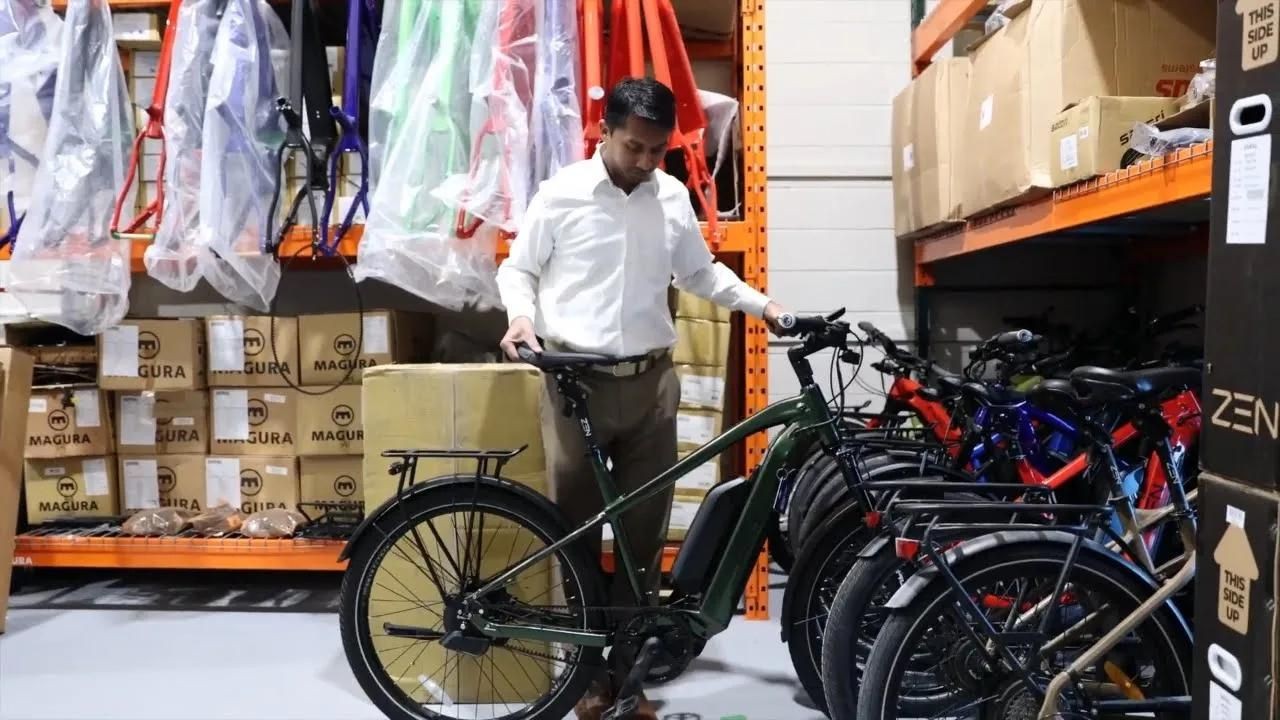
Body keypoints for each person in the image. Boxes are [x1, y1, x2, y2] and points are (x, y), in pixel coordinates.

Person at [495, 77, 788, 720]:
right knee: (574, 534)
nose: (647, 162)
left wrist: (764, 306)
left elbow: (702, 274)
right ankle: (583, 679)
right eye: (635, 147)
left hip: (653, 385)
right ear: (606, 132)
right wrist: (520, 316)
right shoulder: (562, 194)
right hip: (576, 386)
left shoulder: (672, 196)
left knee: (640, 542)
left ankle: (628, 684)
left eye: (658, 150)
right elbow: (519, 268)